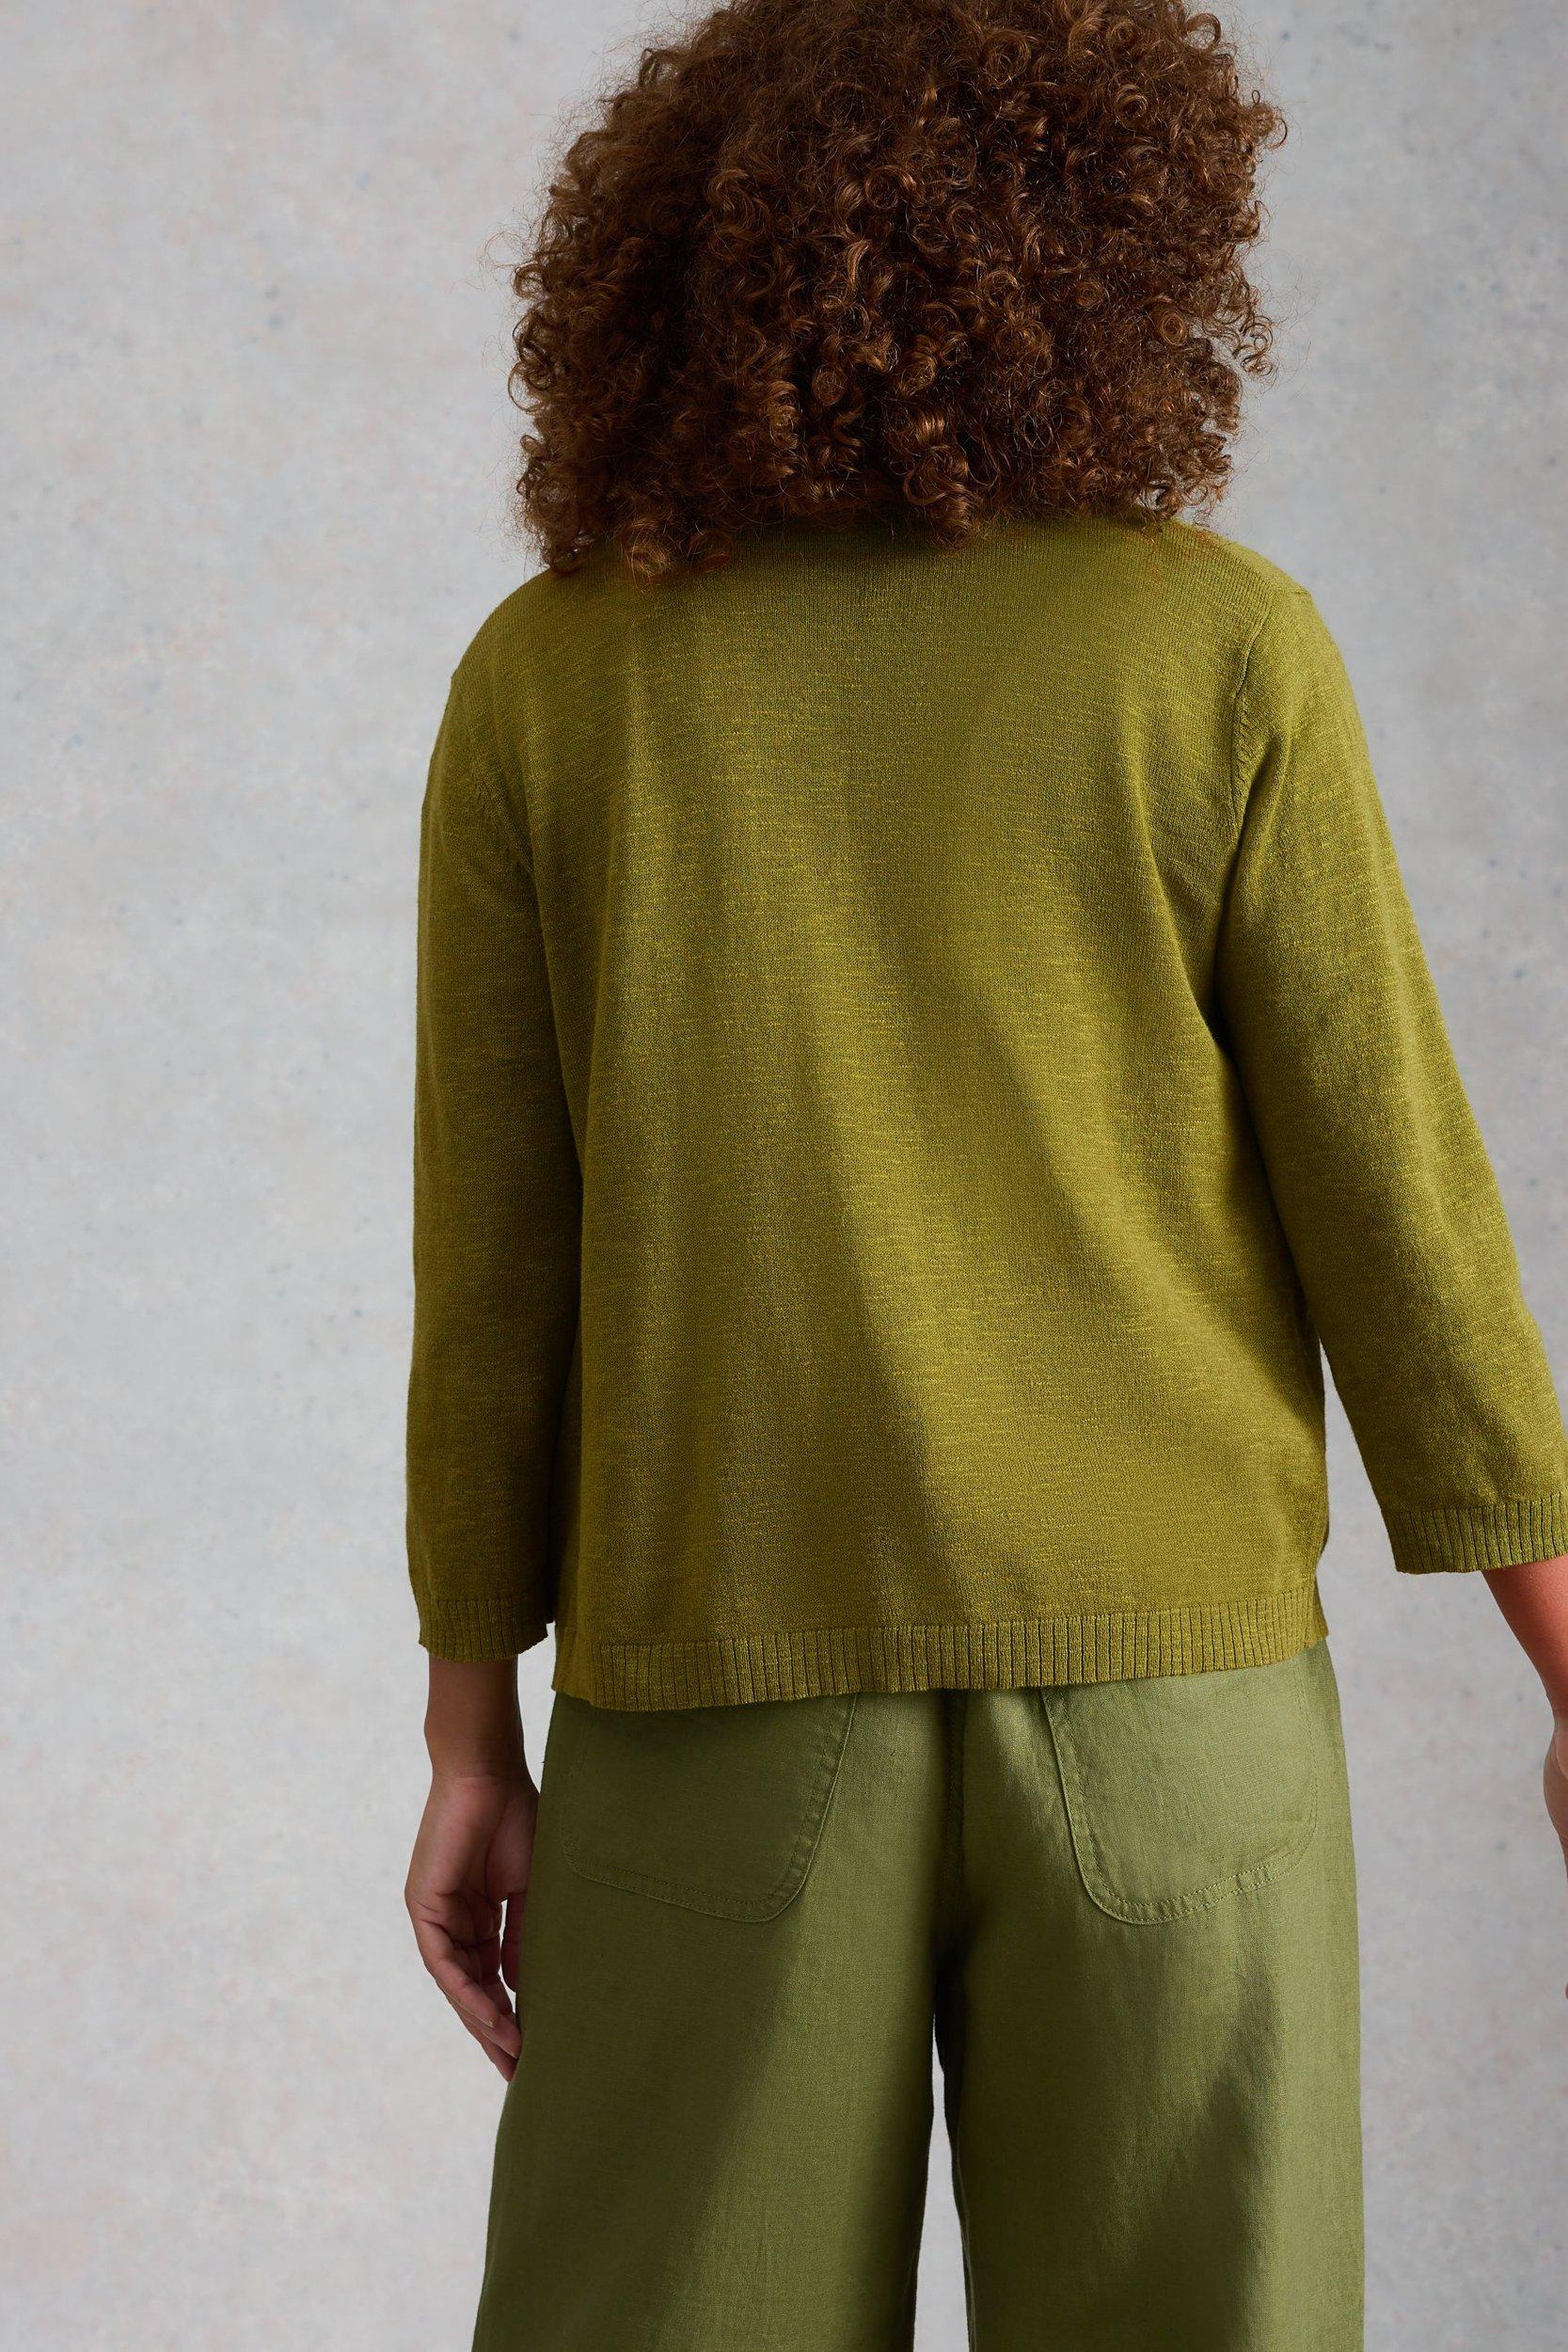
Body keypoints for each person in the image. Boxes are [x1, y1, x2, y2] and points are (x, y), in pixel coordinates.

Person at [402, 3, 1568, 2344]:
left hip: (711, 1684)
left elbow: (494, 1273)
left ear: (679, 254)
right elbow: (1400, 1216)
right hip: (1173, 1701)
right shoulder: (1216, 650)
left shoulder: (548, 681)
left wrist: (465, 1727)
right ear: (1109, 244)